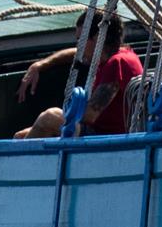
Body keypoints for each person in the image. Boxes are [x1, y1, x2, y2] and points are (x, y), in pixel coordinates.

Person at [15, 11, 144, 138]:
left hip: (107, 137)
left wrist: (67, 111)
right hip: (99, 132)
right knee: (20, 136)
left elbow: (90, 115)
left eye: (80, 39)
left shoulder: (116, 64)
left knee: (49, 117)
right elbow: (76, 53)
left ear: (98, 38)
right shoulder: (123, 55)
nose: (78, 45)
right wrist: (41, 65)